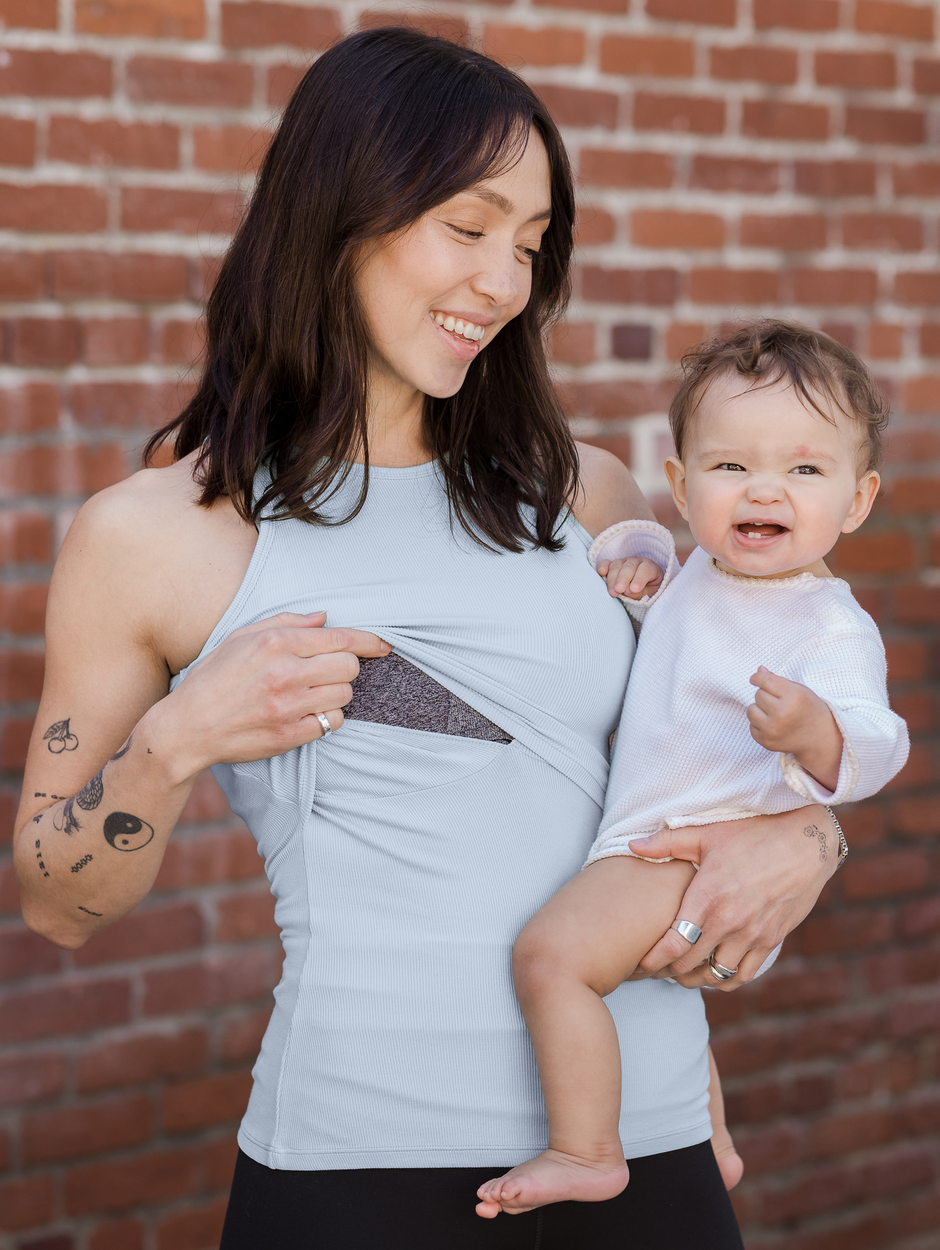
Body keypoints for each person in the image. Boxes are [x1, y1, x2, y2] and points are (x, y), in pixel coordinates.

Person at [14, 32, 842, 1249]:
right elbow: (54, 904)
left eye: (529, 243)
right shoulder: (159, 536)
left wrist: (809, 837)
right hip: (361, 1170)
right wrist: (174, 741)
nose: (504, 282)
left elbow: (723, 743)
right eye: (469, 226)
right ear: (339, 209)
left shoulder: (594, 500)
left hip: (645, 1149)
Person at [476, 322, 910, 1219]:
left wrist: (816, 728)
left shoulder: (826, 625)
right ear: (680, 485)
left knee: (552, 957)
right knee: (669, 1016)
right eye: (728, 468)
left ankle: (586, 1151)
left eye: (803, 470)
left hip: (681, 854)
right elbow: (650, 599)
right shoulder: (700, 575)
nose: (763, 490)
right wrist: (637, 556)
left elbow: (880, 741)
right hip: (654, 841)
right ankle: (709, 1138)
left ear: (858, 499)